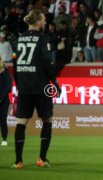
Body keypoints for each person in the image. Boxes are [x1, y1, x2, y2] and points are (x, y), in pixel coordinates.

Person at [12, 10, 61, 169]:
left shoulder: (19, 39)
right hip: (41, 86)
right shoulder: (41, 38)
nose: (45, 21)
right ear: (38, 21)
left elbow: (15, 64)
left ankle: (18, 161)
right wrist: (54, 81)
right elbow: (47, 62)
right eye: (44, 19)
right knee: (47, 120)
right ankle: (42, 158)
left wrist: (19, 85)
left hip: (24, 86)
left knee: (21, 122)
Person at [0, 58, 12, 146]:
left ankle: (4, 138)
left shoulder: (6, 73)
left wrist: (0, 98)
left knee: (3, 120)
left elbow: (8, 87)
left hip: (4, 101)